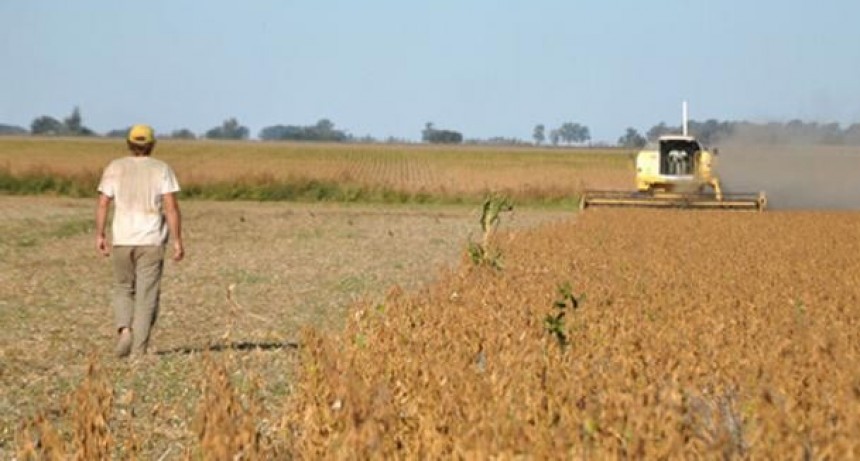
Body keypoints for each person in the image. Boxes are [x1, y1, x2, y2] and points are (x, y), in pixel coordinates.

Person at [95, 124, 184, 358]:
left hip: (122, 239)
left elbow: (103, 202)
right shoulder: (161, 169)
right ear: (152, 144)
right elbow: (171, 207)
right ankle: (138, 351)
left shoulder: (115, 167)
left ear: (129, 144)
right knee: (147, 295)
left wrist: (100, 234)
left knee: (123, 288)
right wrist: (177, 240)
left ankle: (124, 330)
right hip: (152, 239)